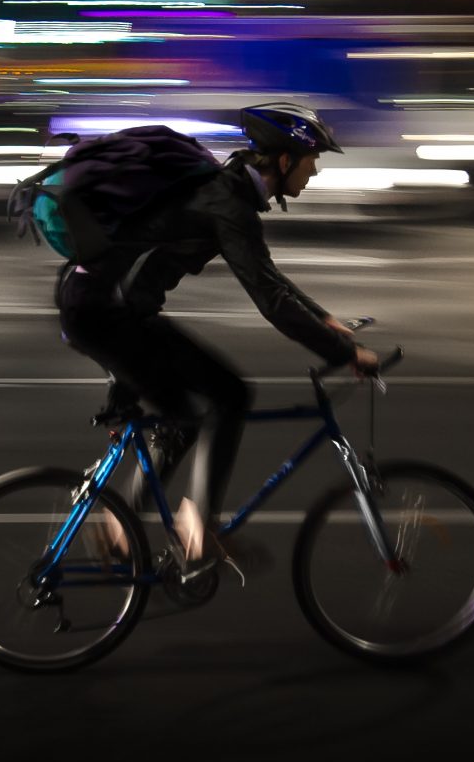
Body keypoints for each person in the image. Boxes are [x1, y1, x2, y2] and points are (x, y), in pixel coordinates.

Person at [55, 102, 380, 575]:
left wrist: (324, 319)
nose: (314, 172)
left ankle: (122, 527)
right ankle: (194, 530)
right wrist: (346, 352)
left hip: (108, 308)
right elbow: (270, 301)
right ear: (284, 160)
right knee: (229, 394)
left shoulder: (225, 192)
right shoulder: (228, 204)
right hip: (104, 314)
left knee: (184, 415)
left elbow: (267, 276)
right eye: (311, 161)